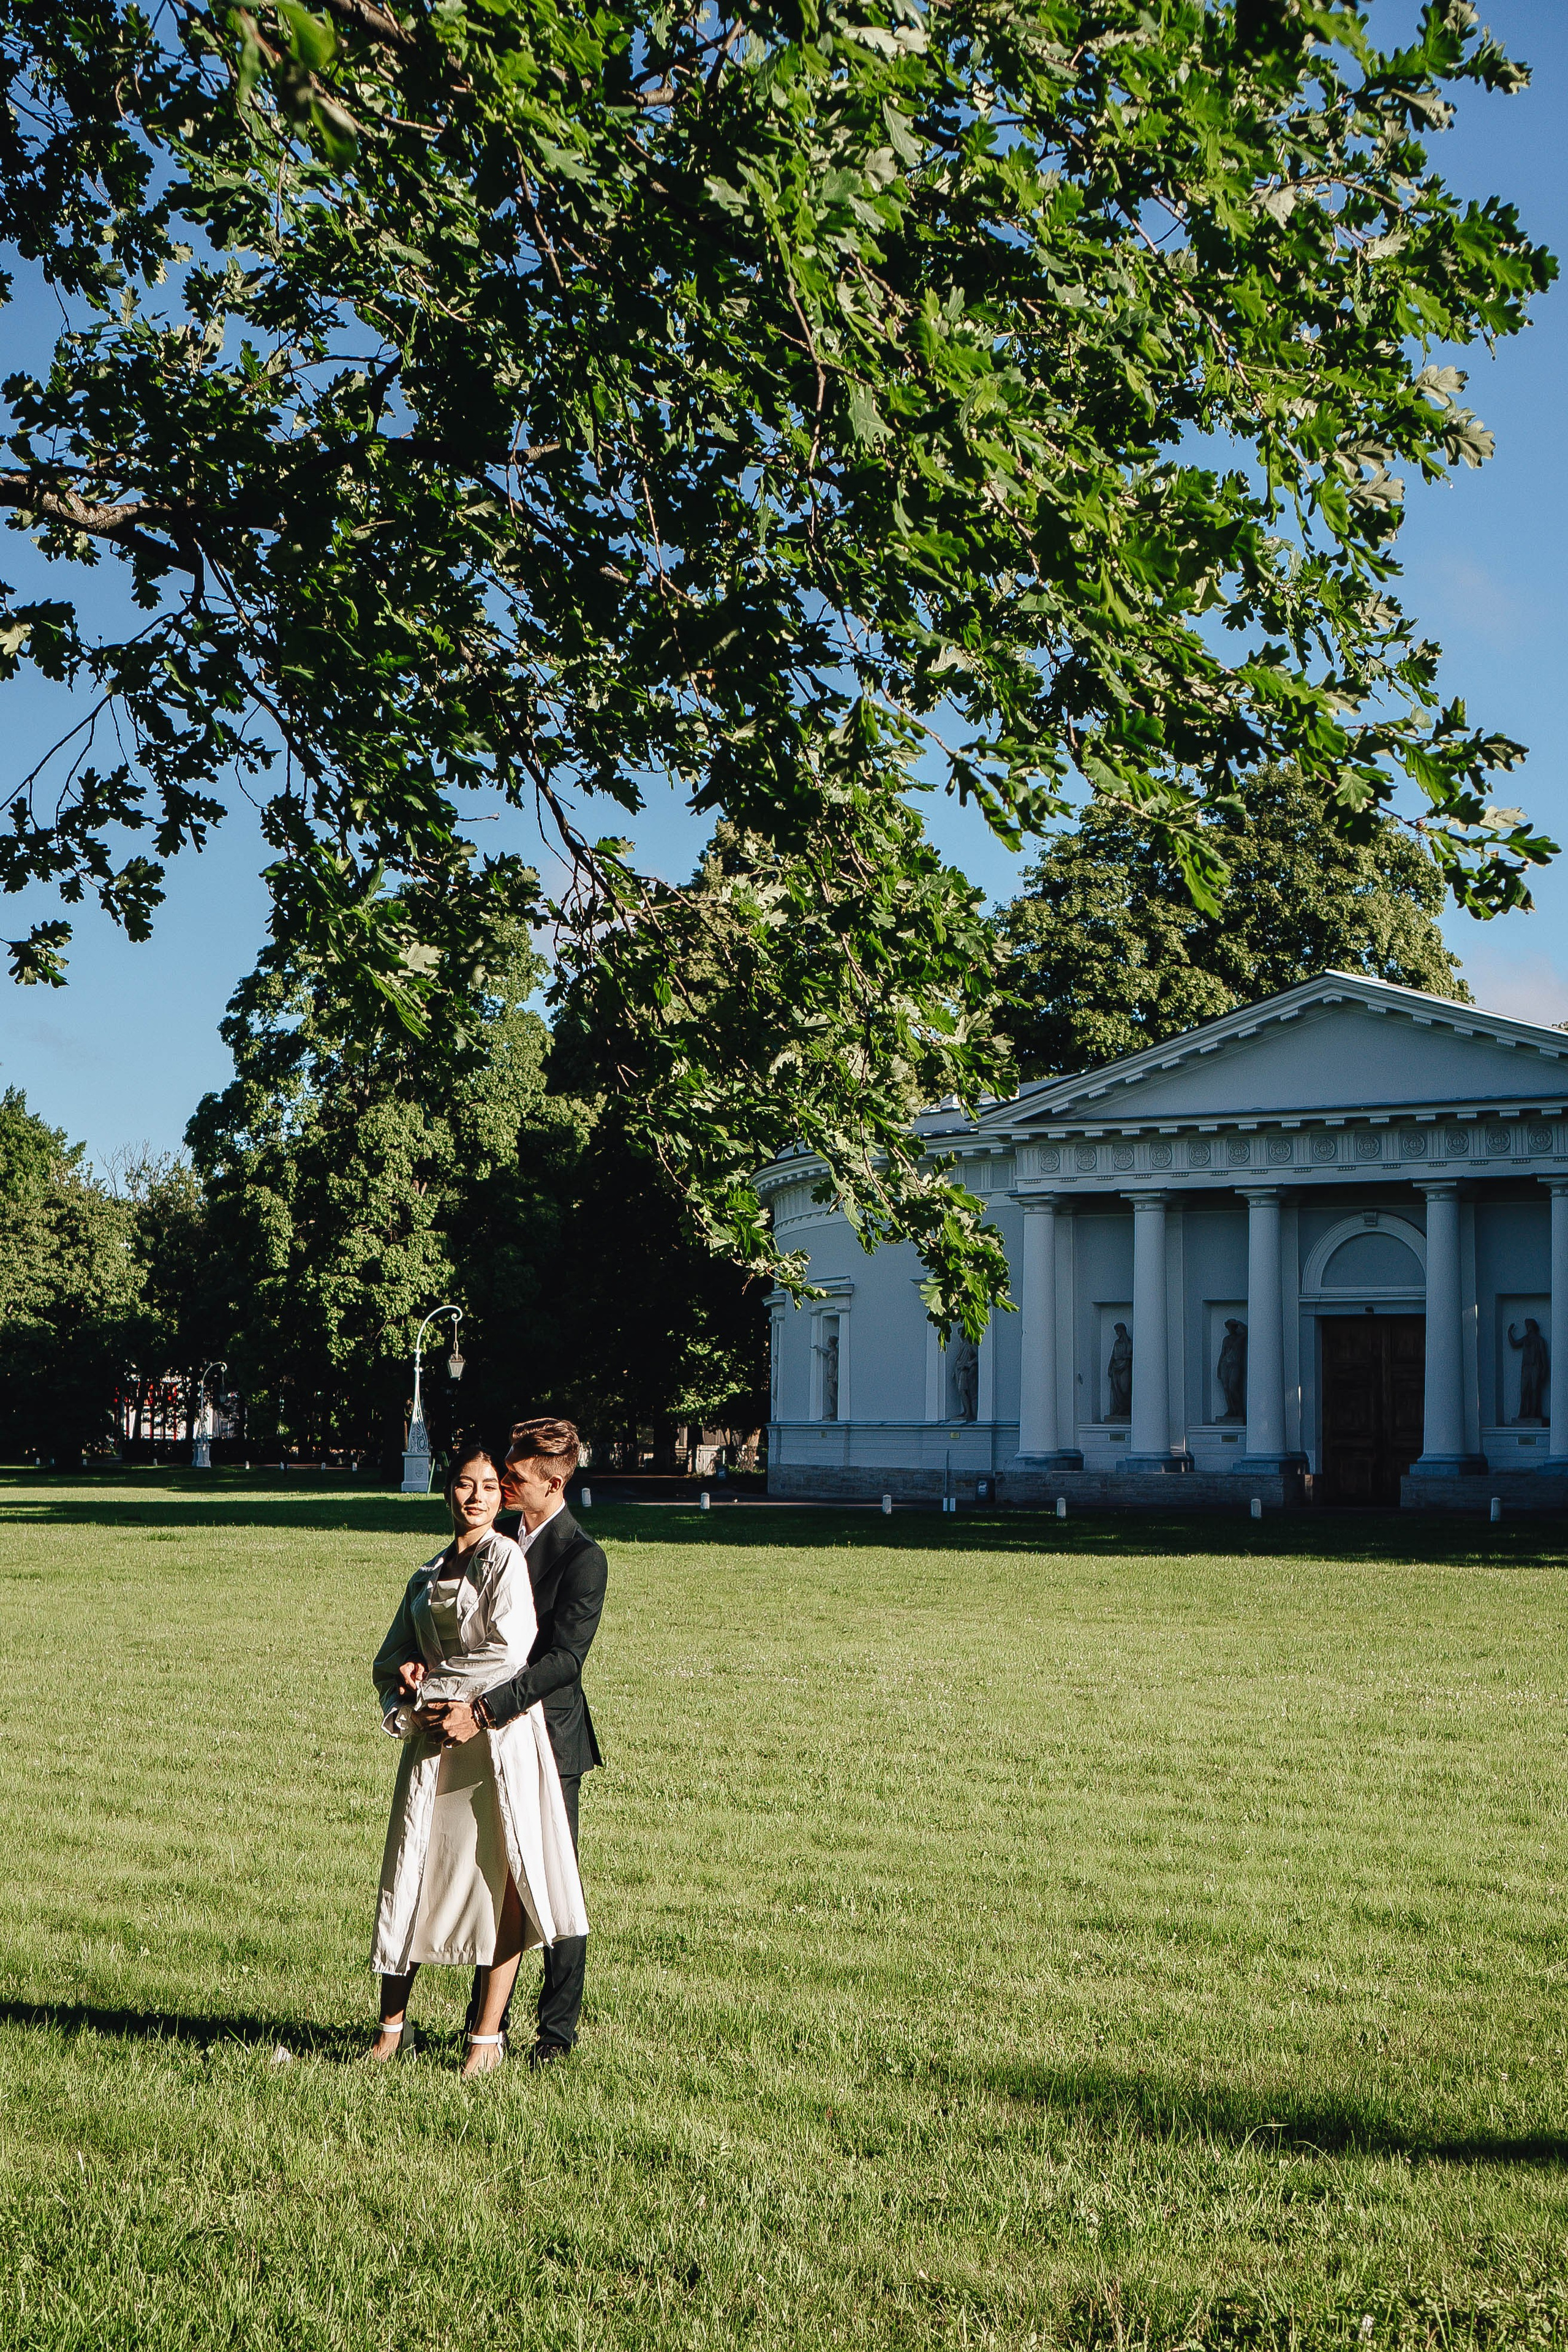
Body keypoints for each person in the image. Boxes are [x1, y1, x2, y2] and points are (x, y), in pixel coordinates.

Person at [368, 1441, 587, 2076]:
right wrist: (407, 1690)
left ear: (504, 1497)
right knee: (410, 1873)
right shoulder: (425, 1573)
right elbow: (389, 1663)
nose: (476, 1497)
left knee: (499, 1879)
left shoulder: (506, 1561)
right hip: (433, 1742)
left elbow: (509, 1651)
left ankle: (484, 2041)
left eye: (490, 1487)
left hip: (493, 1740)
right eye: (466, 1484)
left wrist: (438, 1686)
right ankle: (390, 2030)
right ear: (448, 1491)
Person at [420, 1417, 607, 2068]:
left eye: (517, 1477)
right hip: (481, 1736)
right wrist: (425, 1668)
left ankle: (555, 2037)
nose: (501, 1482)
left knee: (551, 1886)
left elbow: (563, 1662)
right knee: (490, 1878)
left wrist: (486, 1709)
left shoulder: (583, 1558)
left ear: (553, 1483)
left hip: (548, 1741)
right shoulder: (491, 1544)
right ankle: (484, 2029)